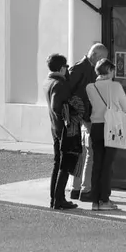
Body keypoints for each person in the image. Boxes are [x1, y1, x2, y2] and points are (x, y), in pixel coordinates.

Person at [85, 58, 126, 211]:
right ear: (109, 71)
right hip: (111, 128)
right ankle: (105, 200)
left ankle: (95, 201)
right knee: (107, 164)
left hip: (96, 127)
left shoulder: (90, 87)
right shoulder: (115, 86)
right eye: (113, 70)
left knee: (97, 163)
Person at [65, 42, 107, 202]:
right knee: (89, 153)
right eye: (102, 58)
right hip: (82, 118)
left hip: (82, 117)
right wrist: (82, 116)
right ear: (95, 55)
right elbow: (69, 94)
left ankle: (76, 189)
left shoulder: (87, 69)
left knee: (81, 153)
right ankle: (85, 190)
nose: (103, 63)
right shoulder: (79, 68)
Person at [43, 53, 78, 210]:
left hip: (54, 127)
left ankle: (54, 198)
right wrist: (70, 112)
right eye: (66, 67)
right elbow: (57, 105)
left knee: (57, 163)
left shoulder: (48, 81)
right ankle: (59, 199)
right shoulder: (59, 84)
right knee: (64, 164)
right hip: (64, 128)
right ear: (61, 67)